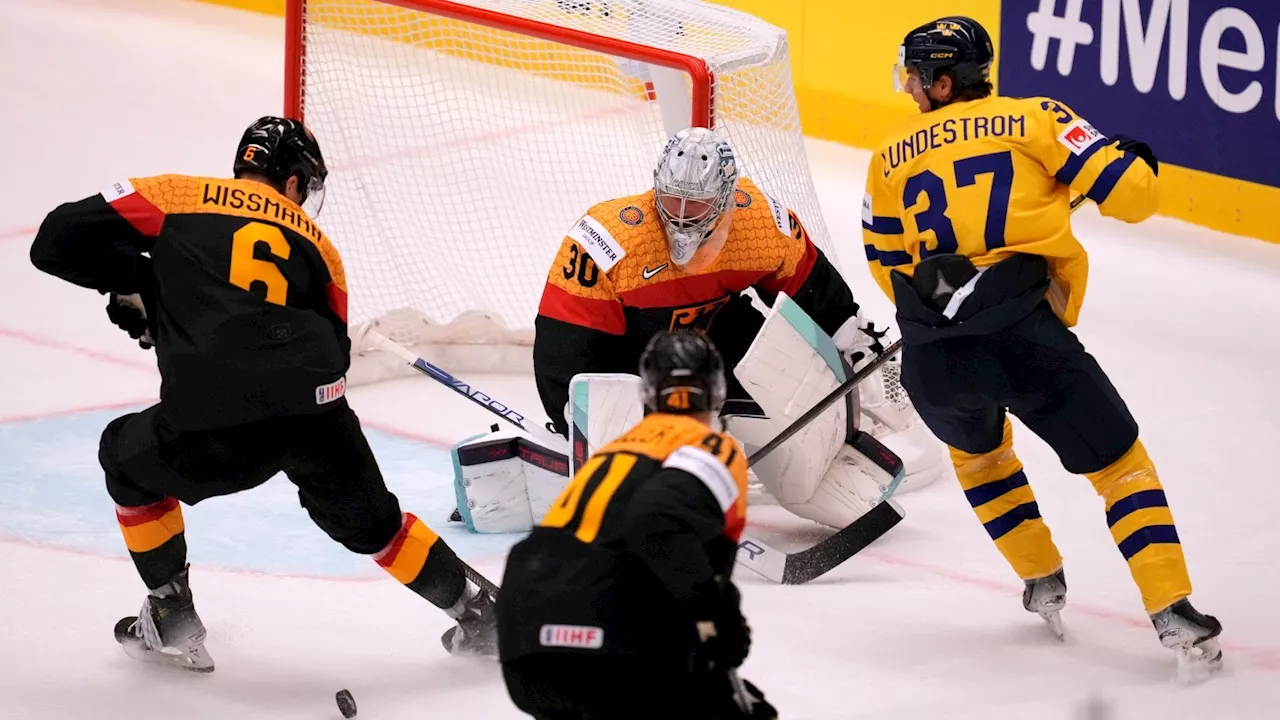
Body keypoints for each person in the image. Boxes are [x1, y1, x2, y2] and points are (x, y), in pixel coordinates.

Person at [28, 116, 497, 672]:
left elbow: (54, 240)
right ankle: (485, 615)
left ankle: (171, 612)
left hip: (213, 421)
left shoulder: (175, 195)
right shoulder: (319, 243)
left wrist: (140, 280)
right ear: (294, 181)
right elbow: (337, 352)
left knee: (125, 461)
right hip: (316, 416)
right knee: (376, 524)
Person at [860, 16, 1222, 675]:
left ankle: (1040, 580)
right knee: (1120, 468)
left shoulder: (888, 158)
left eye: (915, 77)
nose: (909, 89)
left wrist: (955, 289)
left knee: (981, 462)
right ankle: (1172, 609)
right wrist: (1119, 161)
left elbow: (886, 265)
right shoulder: (1038, 118)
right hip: (1027, 338)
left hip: (932, 357)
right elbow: (1136, 198)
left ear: (943, 83)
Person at [530, 126, 941, 530]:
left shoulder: (760, 226)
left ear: (727, 198)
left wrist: (856, 347)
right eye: (673, 200)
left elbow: (817, 294)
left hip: (709, 343)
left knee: (791, 377)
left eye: (697, 205)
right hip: (628, 362)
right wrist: (579, 424)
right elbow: (567, 351)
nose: (681, 216)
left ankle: (819, 464)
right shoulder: (608, 242)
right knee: (618, 425)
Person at [497, 330, 775, 720]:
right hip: (612, 650)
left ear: (649, 393)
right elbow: (656, 521)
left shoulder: (613, 451)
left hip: (525, 648)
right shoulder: (712, 447)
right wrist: (716, 618)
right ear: (715, 391)